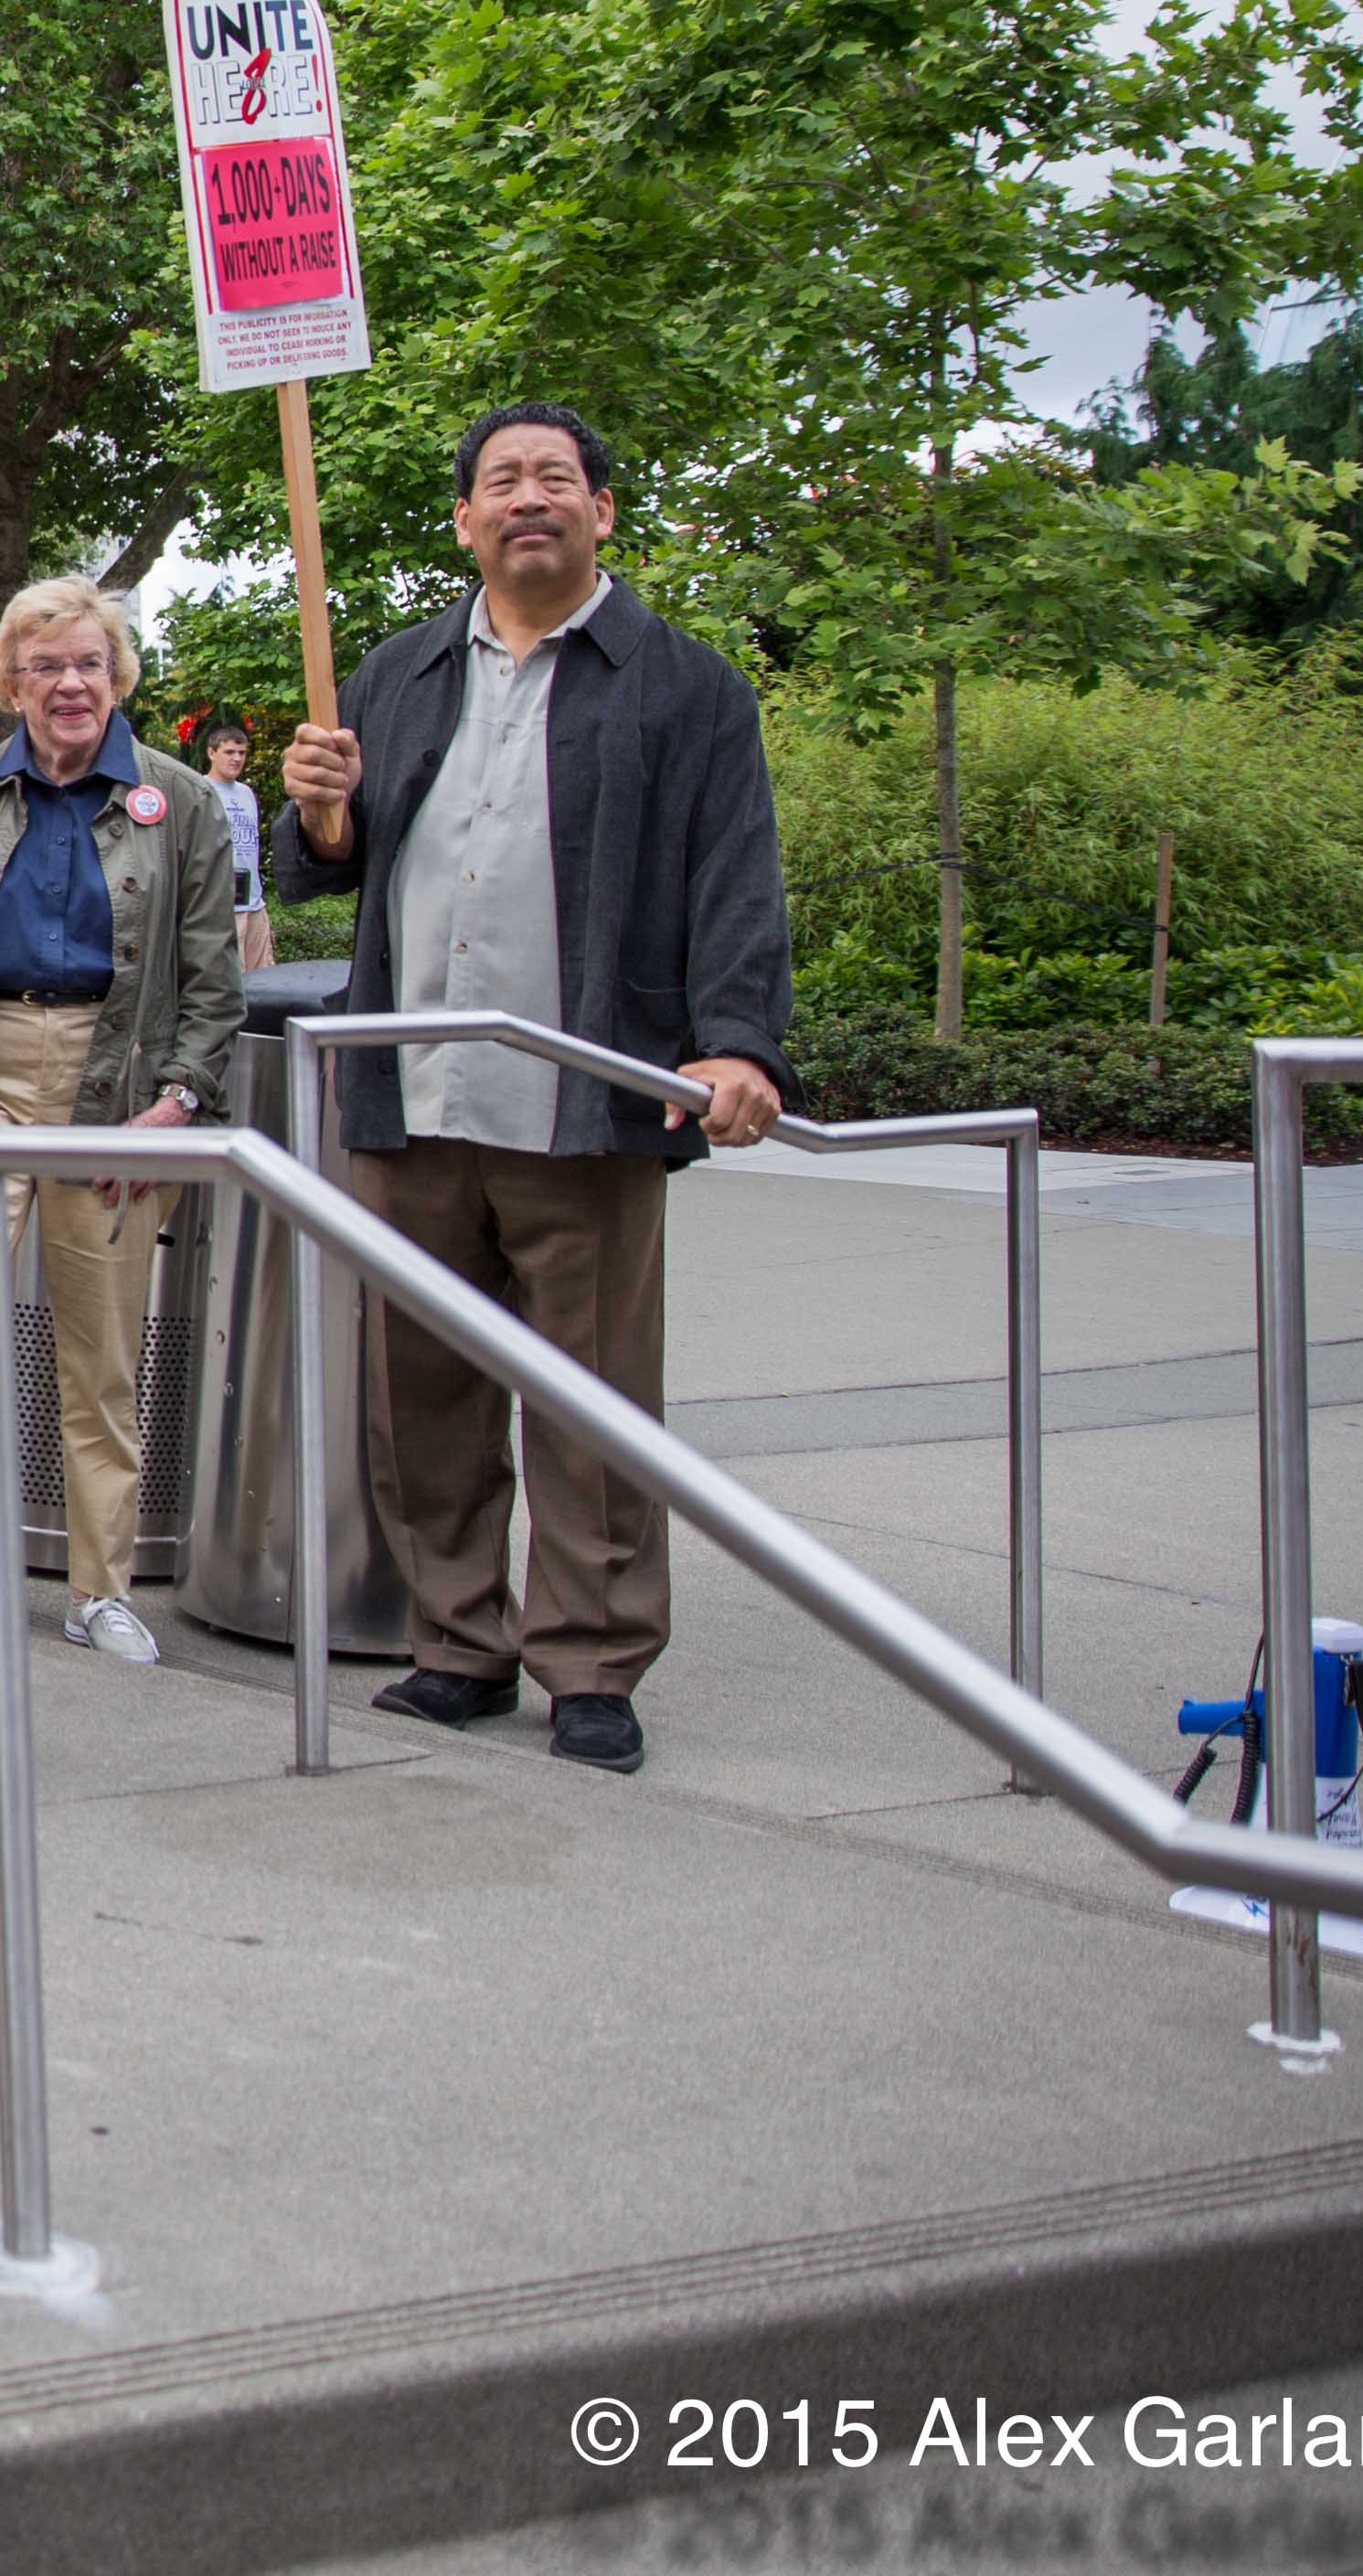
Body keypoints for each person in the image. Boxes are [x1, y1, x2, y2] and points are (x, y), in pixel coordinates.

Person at [275, 401, 793, 1780]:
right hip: (410, 1093)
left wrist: (738, 1041)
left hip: (588, 1097)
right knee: (421, 1396)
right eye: (500, 481)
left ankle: (593, 1662)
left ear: (601, 511)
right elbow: (331, 861)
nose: (528, 498)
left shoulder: (683, 685)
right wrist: (317, 811)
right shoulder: (398, 672)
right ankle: (459, 1642)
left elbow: (736, 873)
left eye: (555, 478)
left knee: (593, 1403)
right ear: (464, 522)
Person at [0, 578, 240, 1665]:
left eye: (89, 664)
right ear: (10, 684)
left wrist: (177, 1101)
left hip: (115, 1093)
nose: (70, 684)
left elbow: (213, 983)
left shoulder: (178, 802)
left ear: (119, 676)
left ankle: (100, 1588)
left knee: (101, 1349)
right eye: (46, 666)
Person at [204, 722, 274, 976]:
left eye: (242, 753)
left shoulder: (247, 793)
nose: (236, 759)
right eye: (229, 752)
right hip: (220, 907)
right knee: (231, 982)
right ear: (212, 753)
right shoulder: (199, 790)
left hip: (254, 903)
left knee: (264, 980)